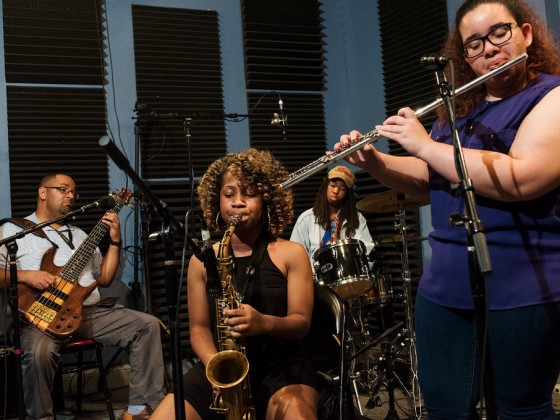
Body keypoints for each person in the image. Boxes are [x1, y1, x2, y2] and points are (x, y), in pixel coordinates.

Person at [336, 0, 560, 418]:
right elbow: (429, 176)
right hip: (445, 288)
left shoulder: (551, 97)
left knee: (521, 411)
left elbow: (522, 177)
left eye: (500, 33)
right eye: (473, 44)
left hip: (523, 287)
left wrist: (424, 144)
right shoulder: (458, 111)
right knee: (443, 410)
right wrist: (375, 163)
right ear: (463, 56)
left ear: (526, 34)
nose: (489, 49)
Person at [151, 148, 321, 420]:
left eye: (249, 194)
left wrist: (263, 323)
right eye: (229, 194)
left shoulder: (292, 253)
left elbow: (301, 323)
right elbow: (198, 328)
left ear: (267, 201)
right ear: (216, 200)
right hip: (222, 366)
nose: (238, 202)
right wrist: (217, 369)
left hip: (283, 366)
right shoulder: (202, 261)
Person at [0, 173, 165, 420]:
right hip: (40, 317)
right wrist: (26, 276)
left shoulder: (79, 235)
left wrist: (115, 241)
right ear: (43, 192)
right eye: (64, 189)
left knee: (147, 325)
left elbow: (105, 278)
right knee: (39, 354)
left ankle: (138, 409)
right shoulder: (13, 230)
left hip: (88, 312)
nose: (71, 196)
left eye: (73, 191)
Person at [290, 165, 374, 268]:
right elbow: (294, 256)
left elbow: (368, 253)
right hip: (314, 281)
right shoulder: (306, 219)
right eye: (333, 185)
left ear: (348, 194)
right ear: (325, 185)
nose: (336, 191)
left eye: (342, 188)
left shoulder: (357, 219)